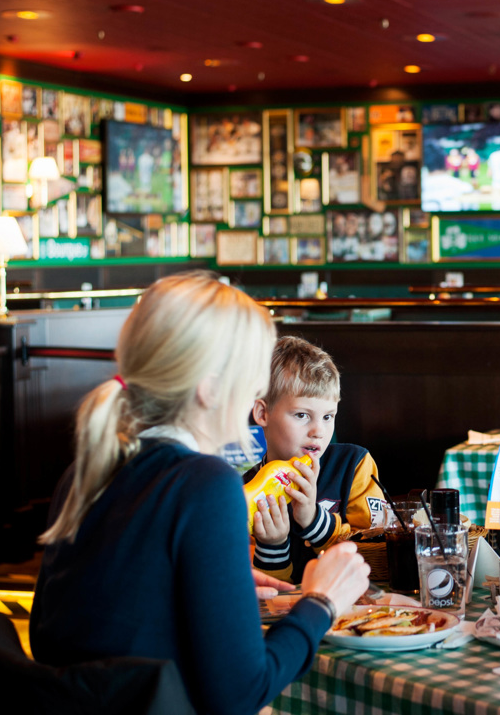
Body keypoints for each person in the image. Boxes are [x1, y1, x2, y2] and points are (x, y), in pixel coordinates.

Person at [30, 272, 370, 715]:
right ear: (210, 388)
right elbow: (240, 693)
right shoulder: (206, 483)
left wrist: (192, 586)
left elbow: (56, 637)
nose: (255, 395)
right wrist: (321, 602)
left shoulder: (87, 468)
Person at [246, 336, 385, 582]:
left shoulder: (354, 465)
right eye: (302, 415)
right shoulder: (244, 489)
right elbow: (268, 594)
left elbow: (374, 561)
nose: (318, 431)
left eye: (328, 417)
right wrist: (272, 545)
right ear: (262, 413)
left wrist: (313, 520)